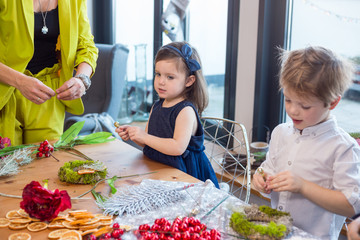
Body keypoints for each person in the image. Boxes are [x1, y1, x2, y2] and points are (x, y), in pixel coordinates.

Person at [252, 46, 360, 239]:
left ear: (333, 102)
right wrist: (261, 178)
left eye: (305, 105)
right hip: (276, 231)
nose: (293, 111)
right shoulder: (280, 132)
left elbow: (351, 205)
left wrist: (303, 186)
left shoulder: (343, 147)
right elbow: (267, 168)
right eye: (288, 100)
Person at [116, 42, 219, 188]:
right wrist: (134, 135)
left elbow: (177, 147)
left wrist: (144, 136)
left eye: (170, 77)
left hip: (185, 176)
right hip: (158, 170)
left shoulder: (185, 111)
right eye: (158, 74)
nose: (161, 82)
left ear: (189, 80)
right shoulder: (157, 105)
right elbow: (150, 141)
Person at [0, 0, 98, 146]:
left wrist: (82, 79)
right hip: (5, 92)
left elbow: (86, 45)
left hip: (49, 96)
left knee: (46, 164)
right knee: (7, 166)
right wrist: (20, 81)